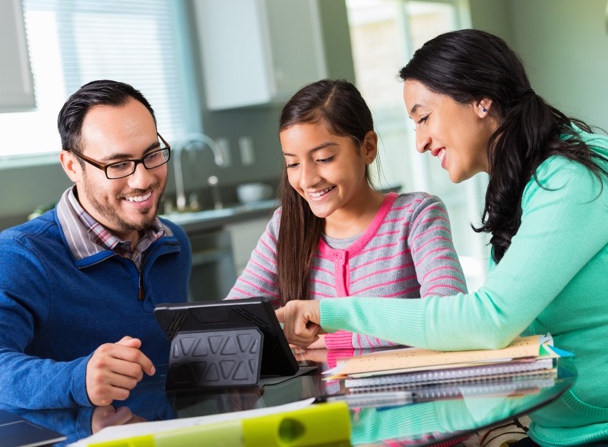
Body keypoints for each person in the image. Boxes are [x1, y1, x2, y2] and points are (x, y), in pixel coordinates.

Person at [276, 29, 608, 446]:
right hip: (555, 429)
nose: (420, 142)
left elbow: (488, 321)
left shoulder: (571, 179)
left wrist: (331, 313)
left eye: (424, 117)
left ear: (481, 100)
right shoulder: (520, 183)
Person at [227, 78, 467, 349]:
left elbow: (450, 318)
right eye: (292, 163)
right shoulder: (284, 227)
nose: (307, 179)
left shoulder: (416, 217)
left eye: (324, 159)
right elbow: (231, 321)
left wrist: (329, 340)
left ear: (367, 148)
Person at [0, 80, 191, 410]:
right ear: (72, 166)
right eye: (118, 164)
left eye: (151, 155)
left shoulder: (173, 243)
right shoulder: (21, 256)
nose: (143, 179)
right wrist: (78, 377)